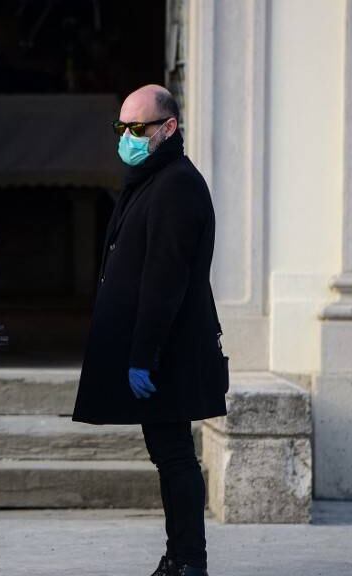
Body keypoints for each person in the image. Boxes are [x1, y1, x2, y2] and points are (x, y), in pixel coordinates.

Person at [71, 84, 228, 576]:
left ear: (169, 127)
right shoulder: (151, 177)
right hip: (157, 349)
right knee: (168, 453)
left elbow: (165, 279)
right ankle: (179, 557)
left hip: (168, 351)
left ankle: (189, 561)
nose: (127, 137)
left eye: (138, 128)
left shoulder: (177, 184)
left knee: (176, 455)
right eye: (122, 128)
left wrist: (143, 356)